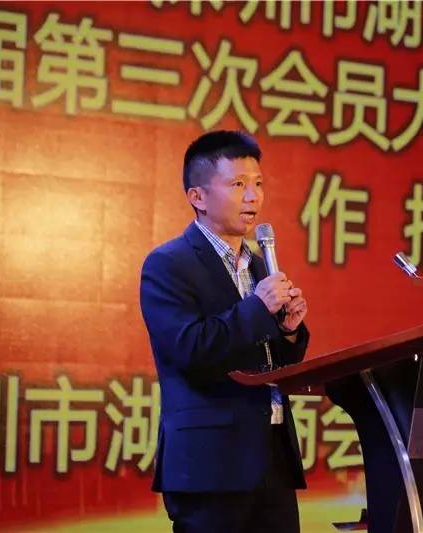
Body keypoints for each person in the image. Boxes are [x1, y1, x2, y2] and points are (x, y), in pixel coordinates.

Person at [139, 130, 309, 533]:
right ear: (198, 196)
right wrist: (258, 309)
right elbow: (190, 348)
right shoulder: (168, 264)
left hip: (272, 459)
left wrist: (288, 331)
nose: (254, 197)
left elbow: (267, 360)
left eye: (258, 184)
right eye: (238, 185)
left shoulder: (259, 264)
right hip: (209, 465)